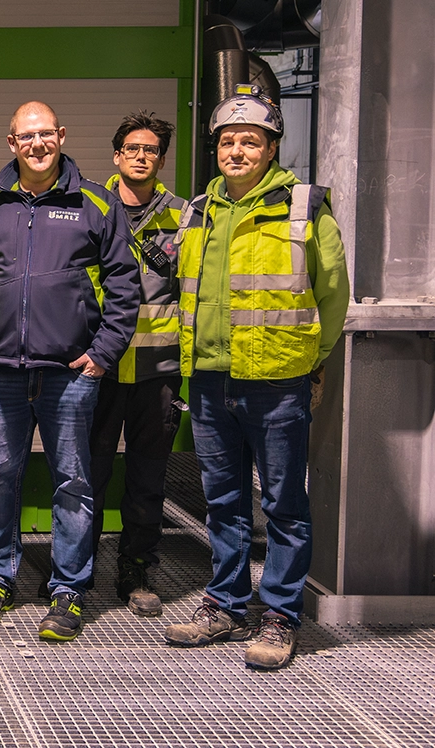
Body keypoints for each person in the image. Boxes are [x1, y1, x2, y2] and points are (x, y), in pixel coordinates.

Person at [164, 85, 348, 671]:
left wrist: (308, 360)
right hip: (211, 380)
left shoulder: (304, 207)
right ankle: (225, 603)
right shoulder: (198, 211)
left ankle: (280, 615)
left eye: (250, 140)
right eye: (227, 141)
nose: (237, 150)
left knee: (285, 502)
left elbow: (333, 294)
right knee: (223, 500)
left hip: (276, 380)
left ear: (272, 148)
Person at [0, 101, 141, 642]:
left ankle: (69, 588)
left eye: (45, 134)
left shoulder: (95, 204)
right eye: (26, 136)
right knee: (0, 477)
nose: (37, 144)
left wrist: (103, 354)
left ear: (61, 136)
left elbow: (124, 285)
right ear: (11, 142)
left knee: (73, 481)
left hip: (70, 372)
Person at [87, 111, 197, 617]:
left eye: (150, 150)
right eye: (131, 148)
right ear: (116, 155)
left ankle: (135, 569)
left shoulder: (184, 216)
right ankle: (77, 568)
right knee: (88, 471)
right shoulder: (90, 207)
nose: (140, 157)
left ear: (160, 159)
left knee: (147, 476)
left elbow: (191, 291)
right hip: (100, 369)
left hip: (158, 370)